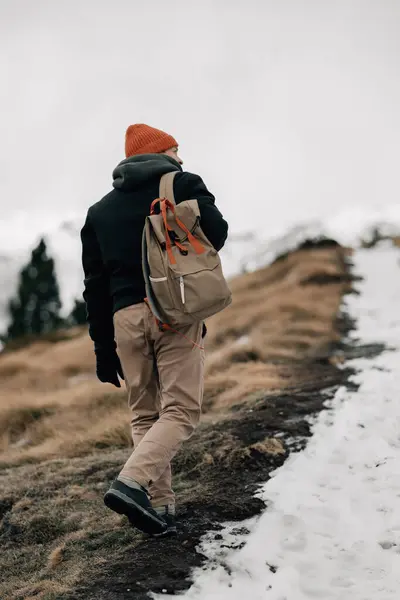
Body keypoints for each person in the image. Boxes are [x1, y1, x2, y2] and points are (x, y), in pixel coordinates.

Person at [81, 124, 228, 536]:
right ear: (164, 152)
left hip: (123, 320)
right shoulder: (180, 182)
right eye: (177, 149)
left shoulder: (99, 211)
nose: (181, 157)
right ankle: (130, 483)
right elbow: (217, 233)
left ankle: (159, 507)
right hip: (173, 311)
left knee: (145, 413)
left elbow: (95, 287)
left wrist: (103, 350)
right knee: (181, 409)